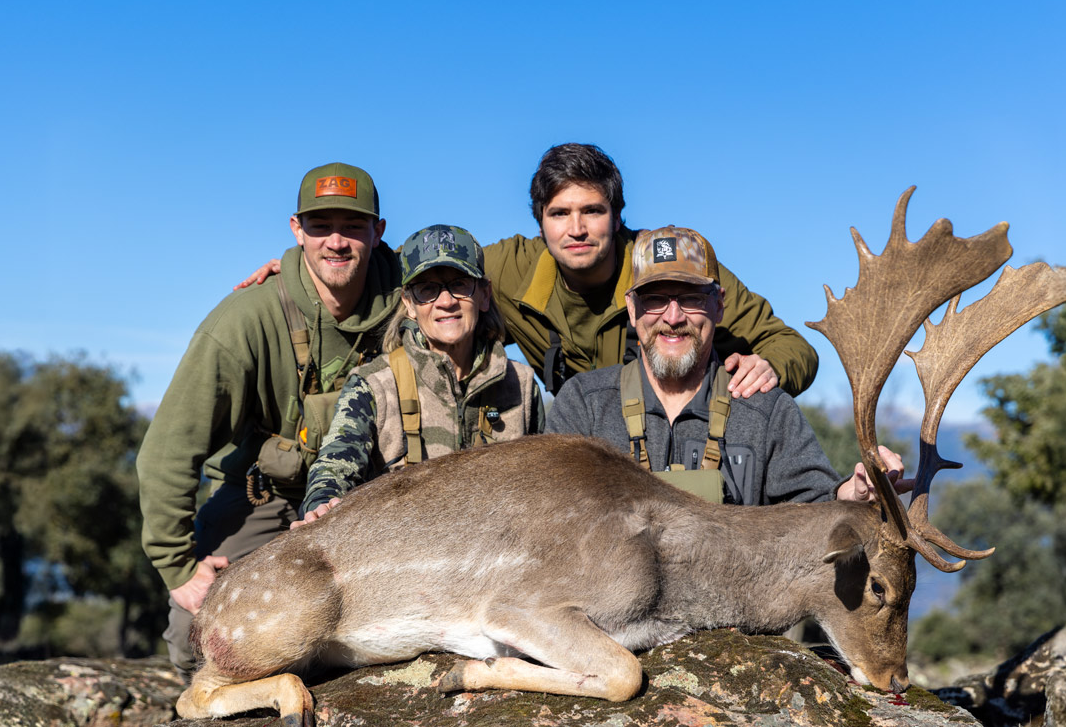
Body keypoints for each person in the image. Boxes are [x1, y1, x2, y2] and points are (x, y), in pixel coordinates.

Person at [235, 143, 817, 399]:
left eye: (593, 211)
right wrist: (313, 267)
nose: (578, 228)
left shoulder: (672, 268)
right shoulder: (506, 267)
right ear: (539, 222)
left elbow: (794, 347)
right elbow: (431, 275)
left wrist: (771, 366)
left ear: (618, 216)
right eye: (560, 214)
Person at [135, 162, 400, 675]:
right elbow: (167, 452)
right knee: (199, 640)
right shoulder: (242, 321)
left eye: (353, 226)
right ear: (296, 230)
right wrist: (179, 568)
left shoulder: (413, 300)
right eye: (320, 226)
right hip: (266, 495)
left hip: (369, 497)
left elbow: (475, 283)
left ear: (378, 232)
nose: (337, 242)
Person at [546, 225, 910, 506]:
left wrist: (851, 494)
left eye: (690, 298)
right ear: (631, 309)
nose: (673, 317)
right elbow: (547, 520)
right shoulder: (584, 406)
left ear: (719, 305)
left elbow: (813, 509)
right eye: (655, 299)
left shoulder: (765, 409)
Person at [294, 224, 543, 524]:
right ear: (409, 304)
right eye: (428, 289)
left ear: (485, 295)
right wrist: (323, 504)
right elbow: (332, 471)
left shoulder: (522, 384)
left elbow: (543, 490)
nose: (446, 301)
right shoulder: (373, 385)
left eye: (460, 284)